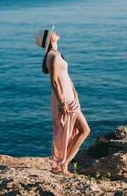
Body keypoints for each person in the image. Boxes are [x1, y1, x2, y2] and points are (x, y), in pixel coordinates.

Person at [35, 26, 90, 175]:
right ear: (49, 39)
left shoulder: (56, 55)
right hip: (63, 98)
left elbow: (65, 76)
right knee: (84, 130)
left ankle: (63, 163)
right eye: (52, 32)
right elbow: (53, 81)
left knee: (76, 130)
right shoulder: (53, 56)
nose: (55, 32)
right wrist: (62, 102)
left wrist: (74, 91)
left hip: (68, 96)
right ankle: (64, 164)